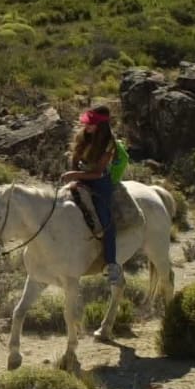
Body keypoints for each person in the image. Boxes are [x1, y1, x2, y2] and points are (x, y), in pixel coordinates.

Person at [62, 104, 125, 288]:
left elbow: (98, 173)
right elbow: (76, 158)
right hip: (80, 177)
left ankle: (112, 264)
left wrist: (76, 176)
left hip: (99, 183)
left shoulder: (109, 144)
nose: (87, 126)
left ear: (101, 125)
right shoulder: (83, 136)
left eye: (91, 124)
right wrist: (74, 174)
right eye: (87, 123)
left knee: (106, 220)